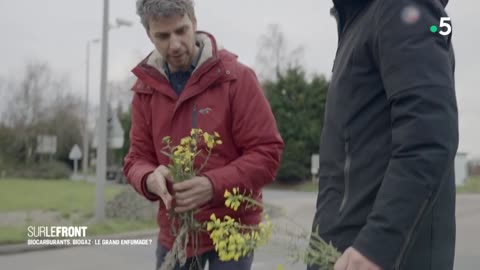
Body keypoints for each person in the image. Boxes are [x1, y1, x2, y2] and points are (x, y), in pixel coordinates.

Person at [123, 1, 284, 269]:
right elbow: (135, 160)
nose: (174, 45)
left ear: (195, 23)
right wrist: (149, 178)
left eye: (181, 31)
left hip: (233, 232)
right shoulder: (145, 90)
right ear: (149, 34)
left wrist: (212, 185)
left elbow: (267, 154)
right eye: (162, 36)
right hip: (176, 235)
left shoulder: (237, 78)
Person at [309, 0, 457, 270]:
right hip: (342, 252)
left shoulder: (400, 7)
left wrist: (376, 247)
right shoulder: (359, 21)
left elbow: (428, 137)